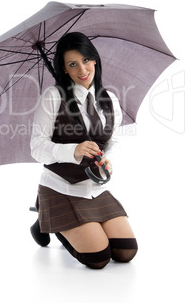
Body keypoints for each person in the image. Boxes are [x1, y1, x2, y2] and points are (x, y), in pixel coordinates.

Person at [30, 32, 138, 269]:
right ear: (64, 69)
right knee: (98, 258)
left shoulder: (109, 99)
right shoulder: (53, 97)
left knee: (125, 251)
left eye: (86, 60)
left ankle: (49, 219)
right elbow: (36, 148)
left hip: (94, 189)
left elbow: (114, 140)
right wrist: (74, 150)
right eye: (72, 64)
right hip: (61, 187)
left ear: (95, 60)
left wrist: (108, 160)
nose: (82, 69)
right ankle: (48, 220)